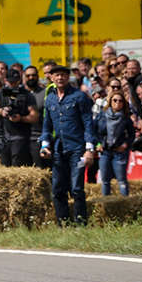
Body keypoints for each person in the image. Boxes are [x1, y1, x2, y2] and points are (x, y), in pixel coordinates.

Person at [40, 64, 98, 225]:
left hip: (77, 149)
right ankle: (63, 223)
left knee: (77, 188)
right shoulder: (50, 99)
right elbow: (47, 125)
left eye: (63, 75)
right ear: (51, 78)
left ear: (68, 77)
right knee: (58, 188)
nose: (60, 78)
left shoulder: (79, 96)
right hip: (58, 149)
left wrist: (89, 149)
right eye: (57, 75)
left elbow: (88, 123)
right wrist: (44, 145)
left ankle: (81, 223)